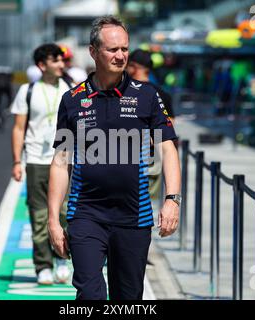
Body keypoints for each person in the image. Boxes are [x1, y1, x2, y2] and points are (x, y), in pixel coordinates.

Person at [47, 16, 181, 300]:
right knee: (89, 294)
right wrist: (53, 220)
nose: (120, 56)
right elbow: (61, 161)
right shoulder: (72, 99)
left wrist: (172, 200)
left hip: (134, 216)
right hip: (86, 215)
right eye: (112, 49)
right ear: (93, 51)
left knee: (128, 298)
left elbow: (168, 148)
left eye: (124, 49)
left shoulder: (147, 96)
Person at [11, 44, 72, 285]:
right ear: (42, 65)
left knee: (66, 213)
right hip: (36, 160)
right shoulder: (28, 91)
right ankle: (42, 265)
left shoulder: (70, 89)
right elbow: (18, 128)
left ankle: (61, 260)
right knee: (39, 216)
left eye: (62, 60)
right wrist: (17, 161)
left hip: (65, 160)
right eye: (55, 60)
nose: (61, 64)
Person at [126, 48, 175, 200]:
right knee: (148, 205)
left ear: (133, 67)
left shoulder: (125, 91)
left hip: (127, 158)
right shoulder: (162, 93)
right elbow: (170, 125)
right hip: (152, 159)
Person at [0, 65, 13, 130]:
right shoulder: (9, 69)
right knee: (9, 97)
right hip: (7, 86)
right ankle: (8, 108)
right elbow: (11, 79)